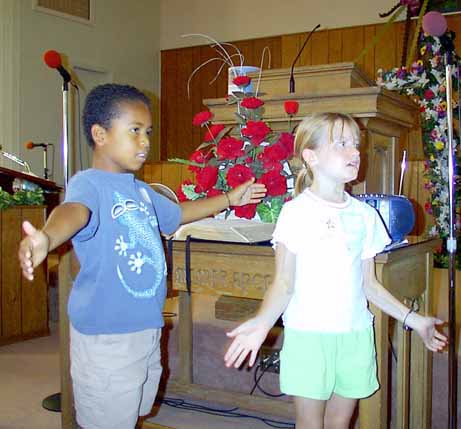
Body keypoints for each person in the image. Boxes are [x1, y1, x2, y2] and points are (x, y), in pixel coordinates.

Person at [18, 83, 266, 429]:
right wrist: (47, 236)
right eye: (134, 131)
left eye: (147, 132)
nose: (145, 141)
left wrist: (229, 199)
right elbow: (74, 212)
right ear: (100, 135)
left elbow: (177, 214)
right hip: (107, 337)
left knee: (134, 411)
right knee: (107, 420)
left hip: (146, 329)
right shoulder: (88, 184)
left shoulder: (141, 191)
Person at [224, 112, 447, 429]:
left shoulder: (365, 216)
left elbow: (369, 285)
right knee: (310, 423)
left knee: (340, 422)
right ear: (311, 156)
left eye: (355, 144)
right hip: (309, 336)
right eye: (341, 143)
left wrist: (414, 319)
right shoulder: (296, 212)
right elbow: (285, 282)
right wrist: (263, 323)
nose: (354, 152)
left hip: (355, 335)